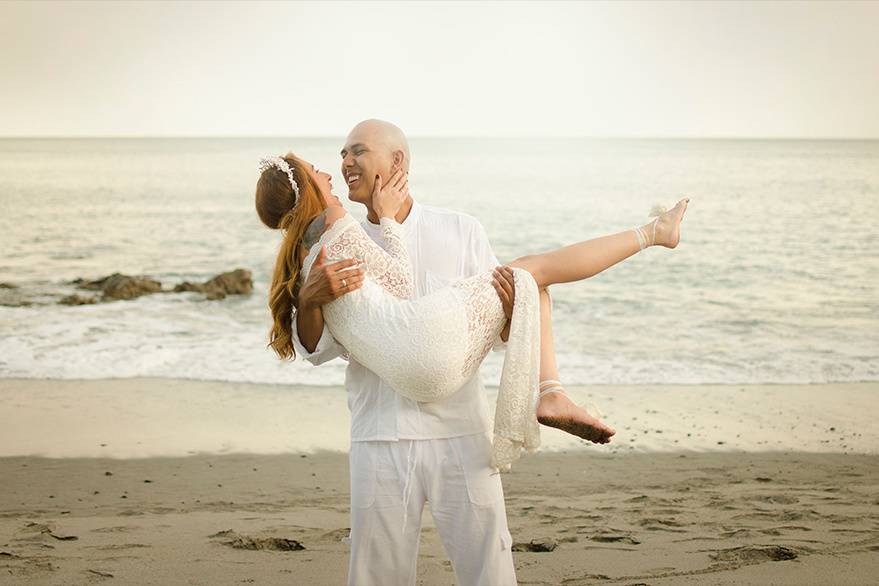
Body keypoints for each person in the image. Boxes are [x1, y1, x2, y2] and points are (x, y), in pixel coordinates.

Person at [254, 120, 688, 586]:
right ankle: (558, 382)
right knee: (377, 576)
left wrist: (504, 306)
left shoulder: (460, 230)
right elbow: (315, 349)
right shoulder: (338, 239)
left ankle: (557, 385)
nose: (344, 163)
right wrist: (307, 299)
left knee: (489, 569)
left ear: (397, 162)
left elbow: (498, 334)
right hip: (380, 434)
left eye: (357, 151)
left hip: (460, 433)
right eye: (340, 155)